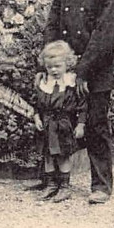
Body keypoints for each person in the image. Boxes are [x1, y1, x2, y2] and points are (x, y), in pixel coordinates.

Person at [43, 0, 114, 204]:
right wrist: (53, 59)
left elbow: (105, 34)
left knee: (96, 127)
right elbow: (53, 24)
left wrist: (82, 70)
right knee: (61, 125)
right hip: (64, 71)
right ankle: (58, 182)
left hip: (95, 71)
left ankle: (101, 186)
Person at [32, 41, 87, 203]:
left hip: (64, 125)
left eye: (58, 66)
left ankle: (64, 187)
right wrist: (36, 118)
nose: (54, 70)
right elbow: (36, 104)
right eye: (50, 67)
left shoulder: (70, 84)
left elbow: (82, 106)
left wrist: (81, 124)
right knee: (48, 155)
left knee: (63, 155)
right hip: (48, 124)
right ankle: (50, 184)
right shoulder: (44, 84)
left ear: (67, 64)